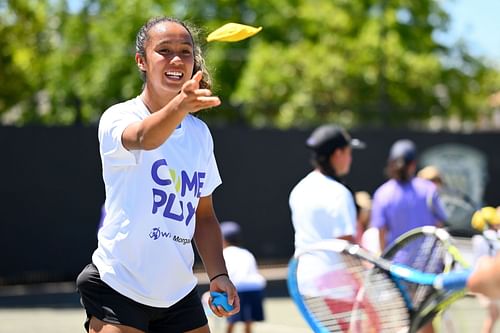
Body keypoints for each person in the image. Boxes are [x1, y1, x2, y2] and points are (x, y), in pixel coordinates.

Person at [76, 17, 239, 333]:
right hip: (119, 284)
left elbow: (203, 216)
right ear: (142, 61)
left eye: (185, 51)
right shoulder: (120, 117)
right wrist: (180, 106)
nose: (177, 59)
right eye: (164, 50)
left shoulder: (199, 134)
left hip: (177, 292)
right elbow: (144, 138)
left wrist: (219, 275)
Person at [370, 139, 448, 333]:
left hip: (398, 270)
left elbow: (381, 233)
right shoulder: (429, 190)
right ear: (413, 164)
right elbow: (440, 225)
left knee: (399, 322)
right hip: (428, 270)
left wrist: (385, 262)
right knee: (425, 321)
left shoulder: (382, 194)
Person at [289, 124, 365, 294]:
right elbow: (345, 247)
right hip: (337, 286)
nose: (350, 159)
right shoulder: (339, 193)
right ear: (338, 153)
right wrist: (365, 288)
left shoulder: (299, 189)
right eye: (348, 152)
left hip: (305, 283)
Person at [219, 221, 266, 333]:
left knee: (231, 320)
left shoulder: (224, 254)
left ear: (223, 239)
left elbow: (224, 277)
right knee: (248, 320)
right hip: (255, 289)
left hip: (238, 289)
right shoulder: (247, 253)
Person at [471, 207, 500, 333]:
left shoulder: (477, 239)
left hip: (480, 281)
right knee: (493, 315)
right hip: (492, 281)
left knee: (493, 315)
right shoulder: (494, 237)